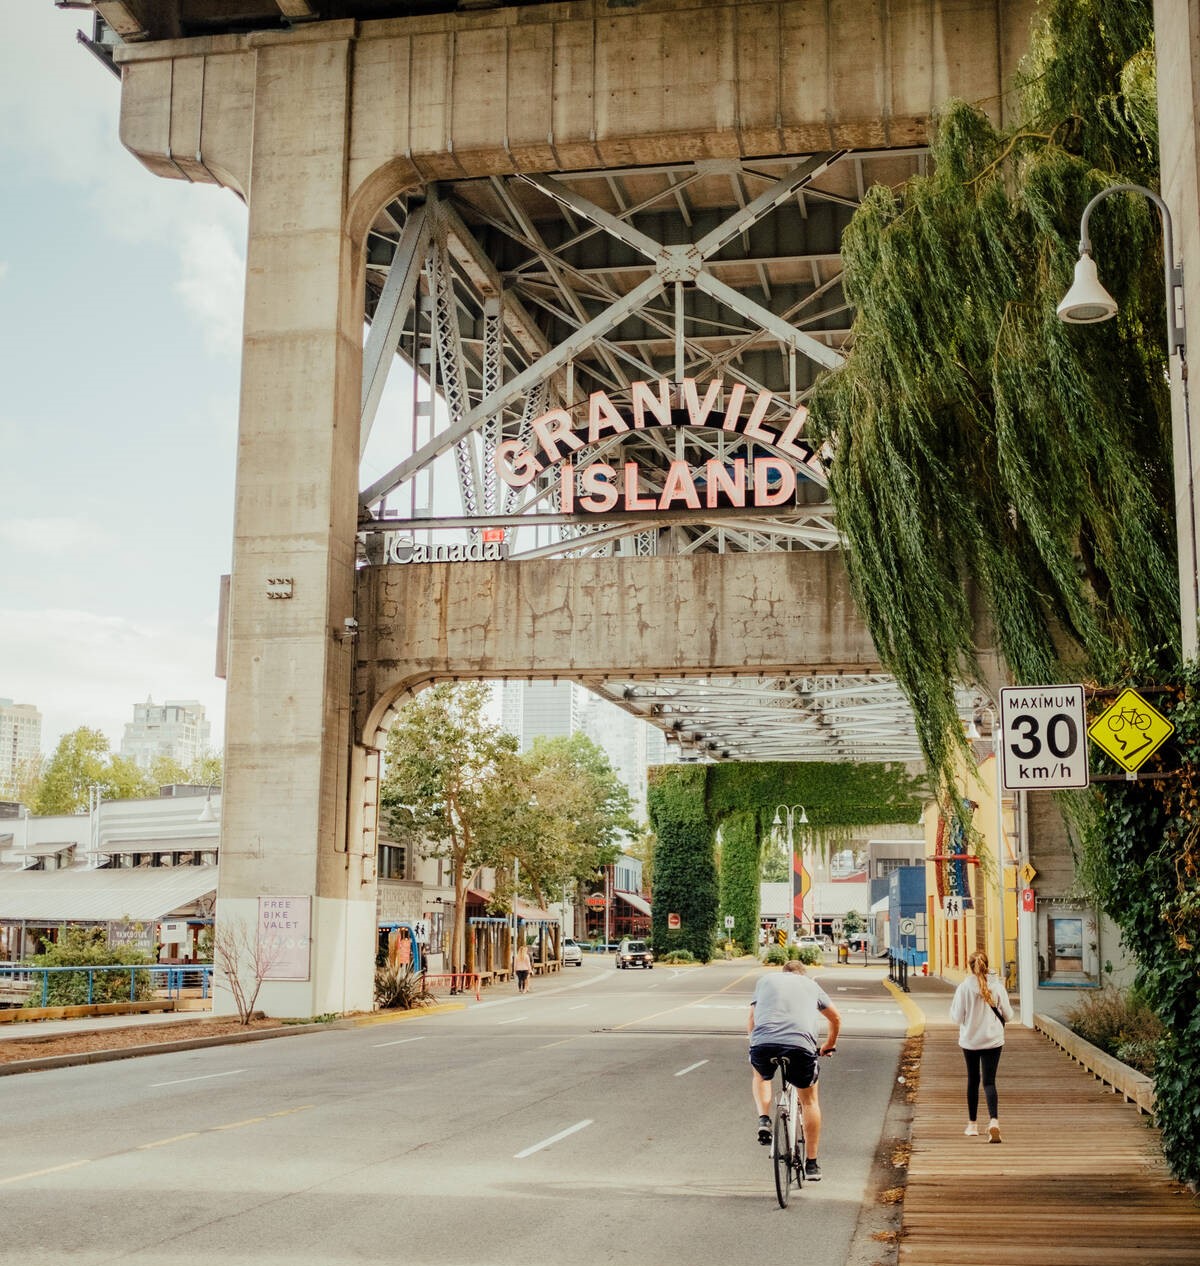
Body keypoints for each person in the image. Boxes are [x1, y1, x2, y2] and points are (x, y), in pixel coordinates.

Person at [747, 959, 841, 1181]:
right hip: (800, 1045)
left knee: (761, 1075)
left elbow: (752, 1018)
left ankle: (763, 1119)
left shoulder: (765, 981)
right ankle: (812, 1163)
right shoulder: (810, 985)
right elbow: (835, 1018)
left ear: (783, 973)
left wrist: (754, 1044)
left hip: (764, 1042)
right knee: (809, 1101)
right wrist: (829, 1045)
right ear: (802, 974)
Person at [949, 950, 1013, 1143]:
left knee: (973, 1080)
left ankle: (972, 1125)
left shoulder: (963, 988)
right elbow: (1008, 1016)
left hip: (970, 1041)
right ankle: (994, 1120)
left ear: (970, 967)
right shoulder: (997, 987)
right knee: (989, 1082)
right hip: (993, 1040)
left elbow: (957, 1017)